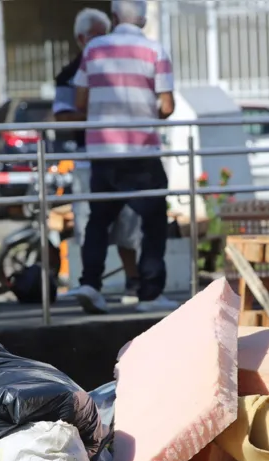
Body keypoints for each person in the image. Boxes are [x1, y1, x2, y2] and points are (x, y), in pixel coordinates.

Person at [69, 0, 179, 314]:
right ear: (143, 20)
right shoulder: (155, 50)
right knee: (153, 221)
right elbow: (168, 107)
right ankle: (150, 293)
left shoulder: (93, 50)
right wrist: (147, 113)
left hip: (103, 152)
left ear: (114, 17)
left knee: (99, 221)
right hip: (142, 152)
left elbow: (79, 100)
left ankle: (91, 283)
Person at [53, 8, 141, 306]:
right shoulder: (68, 74)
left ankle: (133, 283)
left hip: (123, 154)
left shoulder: (120, 65)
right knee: (92, 223)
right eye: (97, 35)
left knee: (128, 222)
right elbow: (62, 116)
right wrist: (99, 112)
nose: (104, 41)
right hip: (89, 158)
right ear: (81, 38)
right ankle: (92, 286)